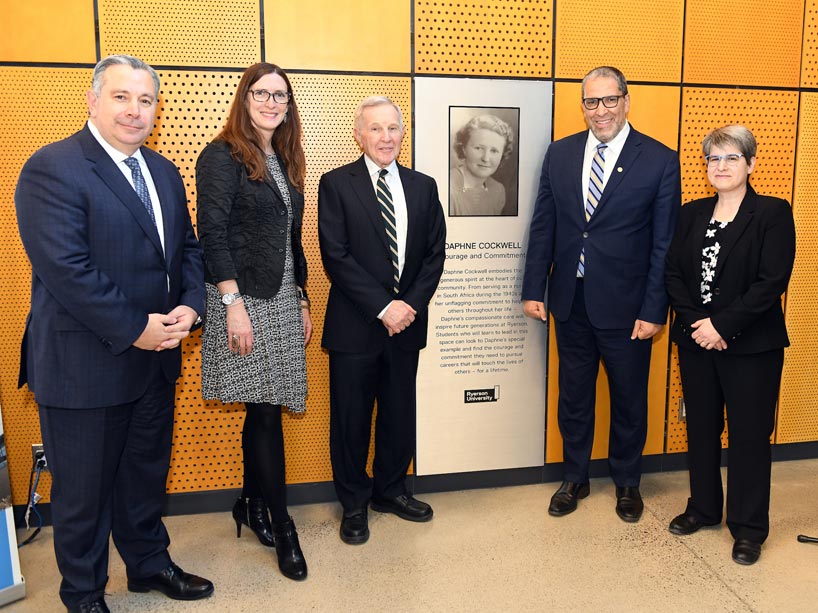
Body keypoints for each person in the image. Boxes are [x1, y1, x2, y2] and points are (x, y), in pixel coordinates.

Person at [15, 55, 212, 612]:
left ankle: (147, 566)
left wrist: (190, 309)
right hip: (86, 365)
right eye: (122, 97)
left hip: (156, 360)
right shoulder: (52, 167)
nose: (135, 110)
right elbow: (68, 269)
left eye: (146, 100)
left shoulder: (164, 172)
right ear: (93, 99)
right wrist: (136, 329)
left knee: (145, 477)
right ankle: (82, 595)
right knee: (83, 496)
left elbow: (187, 253)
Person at [521, 66, 680, 522]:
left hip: (629, 308)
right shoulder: (560, 154)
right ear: (583, 106)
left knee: (629, 398)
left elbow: (663, 244)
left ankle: (628, 483)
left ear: (626, 101)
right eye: (592, 102)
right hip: (570, 300)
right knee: (573, 395)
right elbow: (544, 223)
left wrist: (655, 308)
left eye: (610, 100)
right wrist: (535, 286)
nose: (601, 110)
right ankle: (575, 477)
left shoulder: (659, 160)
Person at [195, 63, 311, 581]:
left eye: (280, 96)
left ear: (288, 106)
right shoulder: (221, 155)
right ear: (244, 99)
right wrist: (232, 304)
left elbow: (292, 241)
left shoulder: (282, 157)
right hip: (243, 300)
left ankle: (250, 501)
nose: (270, 102)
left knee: (261, 407)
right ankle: (284, 527)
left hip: (283, 298)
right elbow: (212, 234)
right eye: (261, 93)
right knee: (265, 410)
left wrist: (303, 299)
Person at [664, 125, 795, 566]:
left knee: (749, 436)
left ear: (751, 164)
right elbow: (673, 274)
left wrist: (721, 326)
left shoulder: (773, 213)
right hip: (696, 339)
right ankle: (703, 508)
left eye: (731, 158)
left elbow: (771, 281)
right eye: (713, 159)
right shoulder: (691, 213)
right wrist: (697, 324)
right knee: (700, 427)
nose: (720, 167)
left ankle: (749, 527)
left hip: (751, 346)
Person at [318, 96, 446, 545]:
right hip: (356, 326)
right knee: (351, 420)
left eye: (393, 128)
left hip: (407, 325)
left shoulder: (424, 186)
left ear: (402, 134)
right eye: (376, 129)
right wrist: (384, 307)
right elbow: (336, 256)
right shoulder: (335, 184)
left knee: (398, 415)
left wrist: (407, 306)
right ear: (359, 134)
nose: (386, 137)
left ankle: (390, 491)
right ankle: (354, 503)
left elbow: (434, 256)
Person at [450, 114, 514, 216]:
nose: (486, 158)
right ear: (464, 148)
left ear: (503, 154)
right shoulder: (448, 186)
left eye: (494, 151)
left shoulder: (498, 190)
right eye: (478, 148)